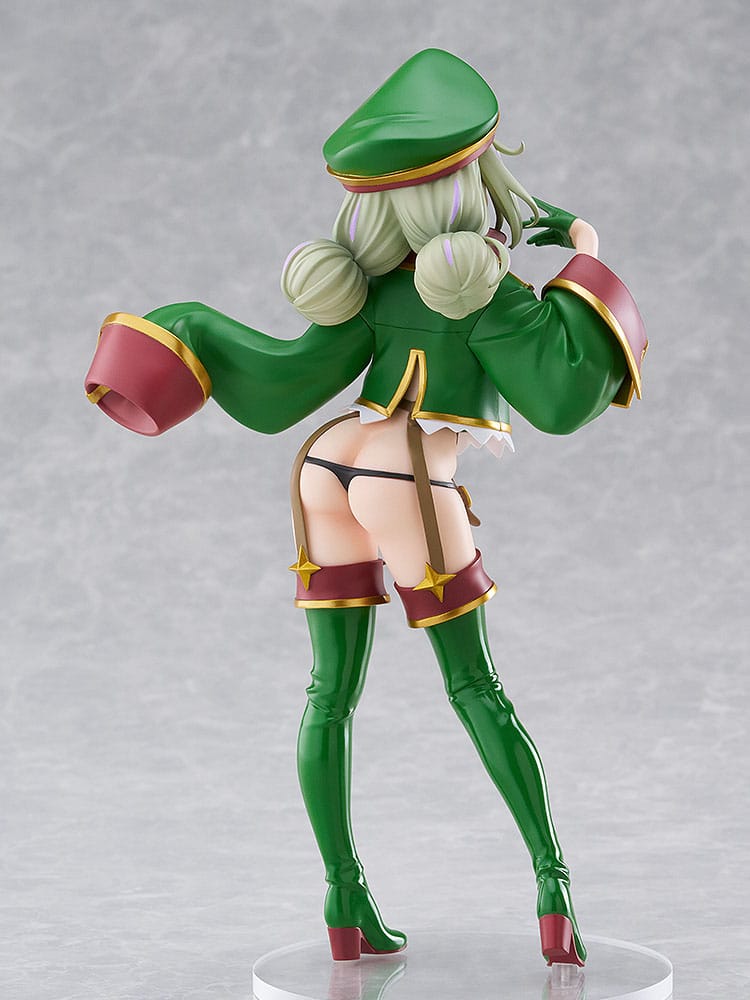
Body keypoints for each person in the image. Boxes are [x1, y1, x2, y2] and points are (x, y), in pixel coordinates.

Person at [85, 49, 646, 967]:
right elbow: (563, 395)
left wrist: (189, 330)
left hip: (327, 464)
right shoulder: (489, 294)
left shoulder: (373, 289)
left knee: (328, 694)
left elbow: (283, 384)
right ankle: (554, 891)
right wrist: (585, 252)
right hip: (408, 479)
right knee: (475, 689)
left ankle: (344, 900)